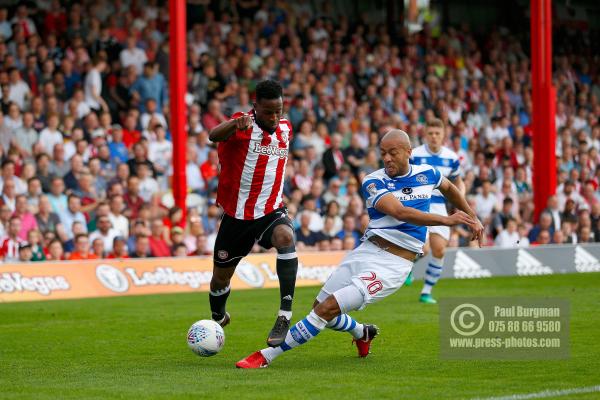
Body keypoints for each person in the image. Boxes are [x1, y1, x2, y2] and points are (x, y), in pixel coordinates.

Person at [236, 129, 483, 368]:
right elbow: (400, 212)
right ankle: (362, 332)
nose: (386, 158)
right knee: (321, 310)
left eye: (393, 152)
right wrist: (447, 220)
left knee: (326, 309)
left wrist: (473, 217)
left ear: (409, 152)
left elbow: (450, 188)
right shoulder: (373, 180)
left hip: (393, 265)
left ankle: (266, 355)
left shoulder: (427, 174)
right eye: (383, 152)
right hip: (366, 252)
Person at [208, 79, 297, 347]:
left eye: (278, 111)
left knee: (285, 237)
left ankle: (284, 315)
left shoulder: (286, 128)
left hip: (270, 210)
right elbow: (214, 135)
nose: (273, 117)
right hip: (237, 216)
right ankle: (218, 315)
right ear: (255, 106)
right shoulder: (242, 124)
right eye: (268, 111)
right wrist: (236, 124)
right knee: (219, 279)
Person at [409, 118, 465, 304]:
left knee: (439, 250)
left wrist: (460, 198)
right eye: (430, 133)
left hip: (440, 207)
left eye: (437, 134)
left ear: (443, 135)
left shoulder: (451, 158)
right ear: (425, 134)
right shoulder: (414, 155)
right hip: (418, 205)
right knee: (423, 249)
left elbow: (457, 181)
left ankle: (426, 292)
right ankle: (408, 266)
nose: (434, 137)